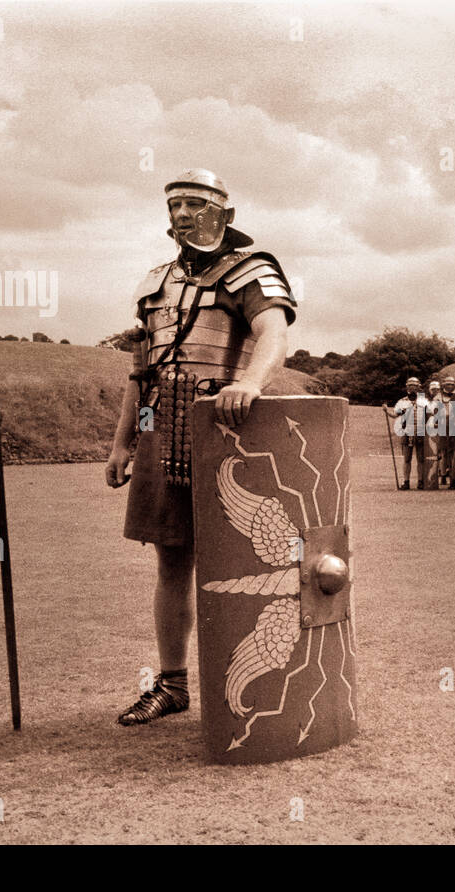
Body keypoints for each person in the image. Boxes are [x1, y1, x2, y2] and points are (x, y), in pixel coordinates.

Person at [106, 168, 295, 726]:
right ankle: (172, 684)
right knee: (171, 562)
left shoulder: (250, 269)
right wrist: (123, 443)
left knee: (246, 560)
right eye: (174, 205)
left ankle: (251, 681)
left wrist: (251, 383)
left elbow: (275, 332)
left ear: (224, 214)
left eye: (194, 203)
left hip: (226, 433)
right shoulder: (154, 283)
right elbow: (142, 377)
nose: (181, 214)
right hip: (162, 433)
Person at [387, 377, 428, 489]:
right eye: (410, 386)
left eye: (414, 386)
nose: (412, 388)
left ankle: (421, 481)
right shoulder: (402, 401)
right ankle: (406, 481)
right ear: (407, 387)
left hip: (420, 432)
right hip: (407, 431)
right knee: (407, 459)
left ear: (419, 387)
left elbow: (430, 415)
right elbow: (395, 414)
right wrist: (387, 411)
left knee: (421, 459)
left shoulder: (424, 401)